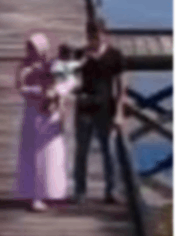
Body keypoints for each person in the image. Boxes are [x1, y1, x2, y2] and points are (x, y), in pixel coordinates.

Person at [73, 16, 126, 204]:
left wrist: (119, 113)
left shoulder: (115, 55)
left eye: (97, 35)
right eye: (90, 36)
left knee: (109, 152)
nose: (93, 39)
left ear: (104, 35)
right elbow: (69, 79)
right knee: (82, 151)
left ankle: (111, 191)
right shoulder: (80, 55)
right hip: (84, 108)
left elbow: (120, 86)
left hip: (106, 109)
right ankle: (80, 191)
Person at [14, 33, 69, 212]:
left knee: (53, 152)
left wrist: (57, 96)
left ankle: (53, 192)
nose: (31, 51)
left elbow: (65, 82)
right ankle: (34, 195)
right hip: (33, 112)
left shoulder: (53, 64)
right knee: (35, 154)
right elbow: (20, 88)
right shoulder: (24, 67)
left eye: (35, 48)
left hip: (50, 111)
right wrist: (39, 91)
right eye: (30, 48)